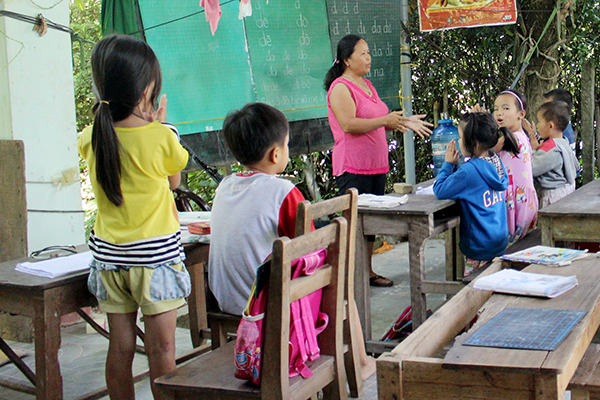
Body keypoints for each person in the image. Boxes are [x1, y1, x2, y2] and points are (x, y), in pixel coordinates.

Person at [208, 102, 376, 379]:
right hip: (266, 304)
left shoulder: (225, 186)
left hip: (227, 299)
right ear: (276, 154)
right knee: (342, 289)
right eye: (286, 145)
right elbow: (310, 248)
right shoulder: (282, 191)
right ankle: (362, 364)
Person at [78, 35, 190, 400]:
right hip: (154, 261)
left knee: (120, 347)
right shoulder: (161, 137)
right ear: (146, 92)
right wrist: (162, 125)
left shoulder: (91, 137)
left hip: (110, 261)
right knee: (162, 349)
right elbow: (174, 181)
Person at [324, 34, 433, 287]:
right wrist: (385, 120)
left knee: (370, 225)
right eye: (363, 53)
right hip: (353, 166)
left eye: (369, 53)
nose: (368, 58)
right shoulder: (340, 87)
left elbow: (379, 120)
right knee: (354, 223)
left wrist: (403, 122)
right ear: (347, 60)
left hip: (376, 165)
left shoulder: (367, 85)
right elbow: (348, 124)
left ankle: (367, 271)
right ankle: (348, 279)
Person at [433, 113, 515, 276]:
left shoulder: (469, 171)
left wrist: (448, 164)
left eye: (460, 138)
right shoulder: (496, 161)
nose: (458, 142)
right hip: (498, 240)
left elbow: (440, 190)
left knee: (476, 285)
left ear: (475, 144)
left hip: (479, 246)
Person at [492, 89, 539, 244]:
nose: (499, 113)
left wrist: (479, 122)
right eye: (496, 109)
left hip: (515, 201)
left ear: (521, 114)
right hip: (525, 200)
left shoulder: (511, 138)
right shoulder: (523, 137)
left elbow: (484, 150)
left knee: (508, 245)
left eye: (506, 108)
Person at [529, 101, 580, 207]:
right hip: (568, 190)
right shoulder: (564, 142)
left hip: (553, 196)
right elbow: (576, 166)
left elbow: (532, 169)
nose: (537, 125)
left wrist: (533, 150)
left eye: (539, 121)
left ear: (551, 126)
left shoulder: (551, 147)